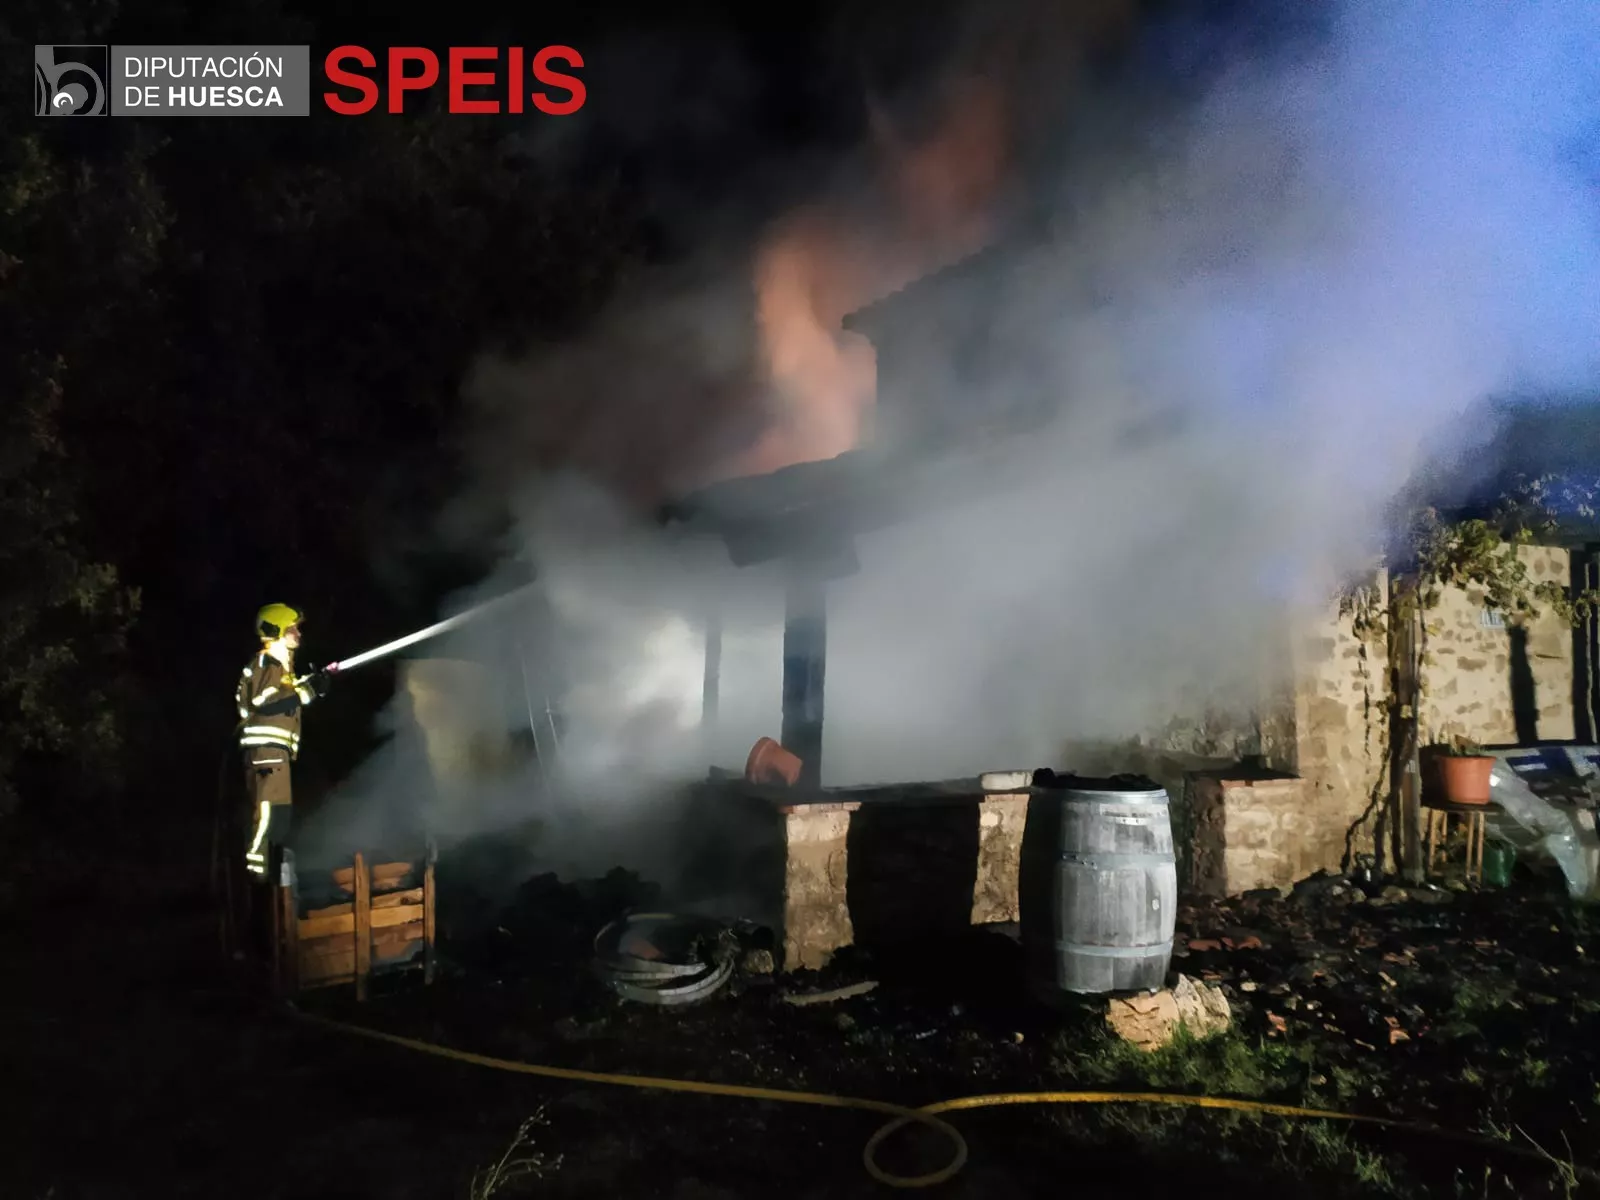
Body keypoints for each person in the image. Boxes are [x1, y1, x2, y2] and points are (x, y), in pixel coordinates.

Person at [235, 604, 331, 883]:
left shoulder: (281, 668)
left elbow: (284, 695)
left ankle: (273, 877)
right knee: (267, 816)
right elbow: (266, 702)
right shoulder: (267, 662)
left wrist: (310, 684)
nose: (298, 633)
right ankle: (257, 879)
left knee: (280, 818)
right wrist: (308, 691)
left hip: (277, 755)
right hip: (265, 753)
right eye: (293, 628)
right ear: (275, 630)